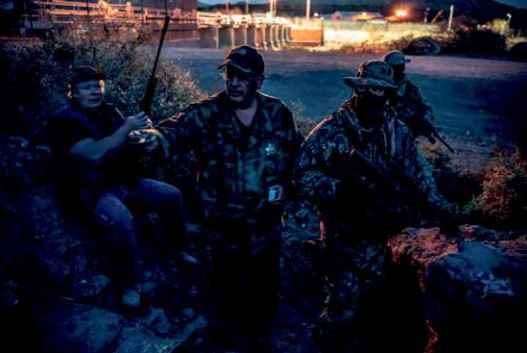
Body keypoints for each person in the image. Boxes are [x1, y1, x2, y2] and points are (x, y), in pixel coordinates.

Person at [137, 45, 303, 352]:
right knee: (222, 289)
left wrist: (288, 194)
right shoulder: (207, 113)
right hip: (221, 225)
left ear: (259, 81)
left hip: (265, 226)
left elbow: (296, 157)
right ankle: (224, 340)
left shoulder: (278, 113)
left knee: (264, 289)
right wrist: (154, 138)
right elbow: (173, 130)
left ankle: (259, 339)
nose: (235, 83)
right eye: (230, 76)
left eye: (243, 77)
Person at [294, 60, 457, 352]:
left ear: (388, 93)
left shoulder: (397, 132)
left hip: (388, 235)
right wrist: (340, 190)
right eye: (366, 88)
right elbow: (302, 175)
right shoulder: (333, 130)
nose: (372, 94)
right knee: (341, 312)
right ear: (357, 88)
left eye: (379, 89)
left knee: (381, 314)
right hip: (346, 237)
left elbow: (419, 175)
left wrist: (442, 208)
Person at [48, 66, 190, 309]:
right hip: (88, 192)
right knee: (122, 219)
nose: (95, 92)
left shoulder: (110, 112)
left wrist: (141, 137)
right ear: (73, 92)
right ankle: (129, 284)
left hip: (121, 181)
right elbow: (92, 153)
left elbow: (125, 142)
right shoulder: (65, 121)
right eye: (87, 87)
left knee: (171, 195)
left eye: (98, 86)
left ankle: (176, 250)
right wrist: (125, 129)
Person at [383, 50, 438, 142]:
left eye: (401, 67)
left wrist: (424, 120)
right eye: (398, 67)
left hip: (404, 127)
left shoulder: (410, 88)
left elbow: (423, 106)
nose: (401, 70)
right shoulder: (380, 85)